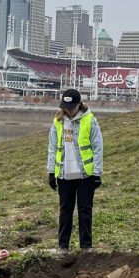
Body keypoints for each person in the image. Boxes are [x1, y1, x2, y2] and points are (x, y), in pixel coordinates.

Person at [46, 87, 104, 252]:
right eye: (66, 107)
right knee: (65, 211)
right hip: (64, 174)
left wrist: (97, 173)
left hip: (85, 175)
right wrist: (51, 172)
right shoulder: (58, 121)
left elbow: (98, 147)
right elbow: (52, 147)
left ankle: (86, 247)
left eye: (72, 107)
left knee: (85, 211)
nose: (69, 111)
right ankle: (63, 246)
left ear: (79, 104)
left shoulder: (89, 120)